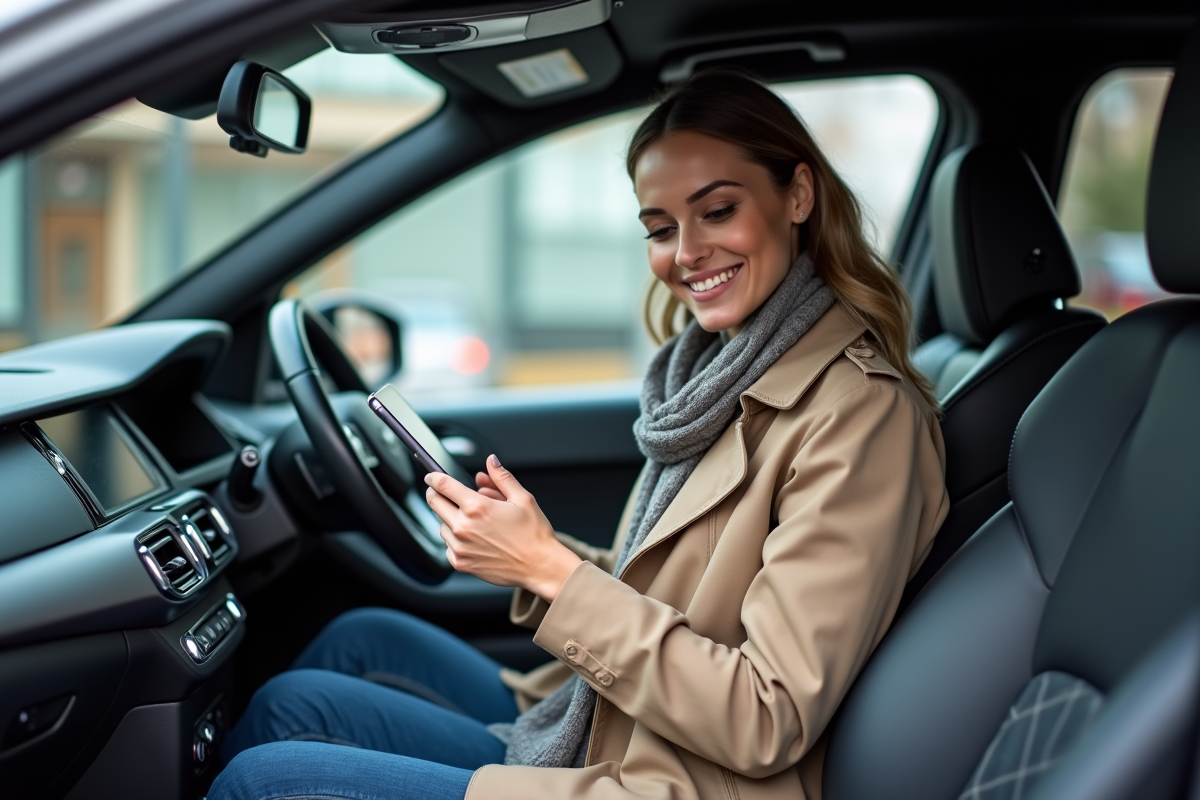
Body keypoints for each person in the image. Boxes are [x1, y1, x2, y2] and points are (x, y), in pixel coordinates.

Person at [210, 68, 949, 800]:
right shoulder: (722, 374)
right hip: (623, 723)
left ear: (797, 196)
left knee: (259, 783)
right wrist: (530, 549)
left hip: (680, 779)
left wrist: (548, 571)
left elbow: (766, 717)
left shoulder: (860, 417)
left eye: (717, 212)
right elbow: (678, 595)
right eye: (660, 229)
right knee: (324, 672)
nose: (685, 253)